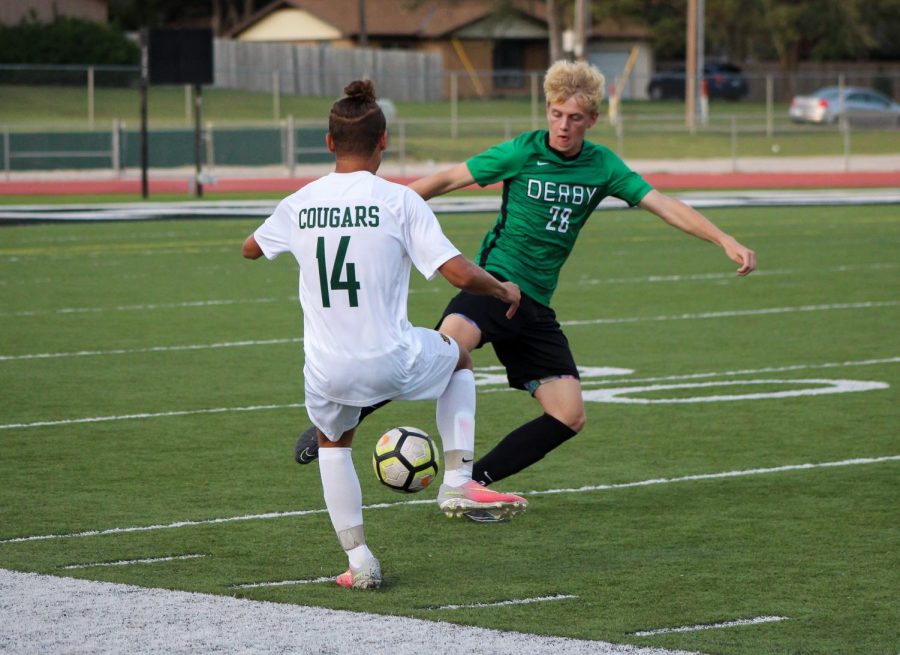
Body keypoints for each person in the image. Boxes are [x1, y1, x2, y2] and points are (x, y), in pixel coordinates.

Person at [294, 61, 757, 520]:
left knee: (568, 414)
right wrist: (376, 209)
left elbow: (663, 204)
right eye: (556, 113)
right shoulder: (522, 151)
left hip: (535, 305)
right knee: (446, 351)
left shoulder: (603, 166)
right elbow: (445, 180)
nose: (562, 125)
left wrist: (724, 238)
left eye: (574, 117)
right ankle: (331, 426)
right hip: (494, 284)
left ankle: (472, 483)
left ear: (592, 120)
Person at [243, 80, 527, 589]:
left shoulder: (299, 202)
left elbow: (250, 249)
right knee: (460, 357)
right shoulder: (398, 201)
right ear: (384, 142)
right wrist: (502, 290)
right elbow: (459, 274)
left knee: (333, 444)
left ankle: (360, 562)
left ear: (329, 143)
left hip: (327, 368)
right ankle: (459, 480)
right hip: (394, 356)